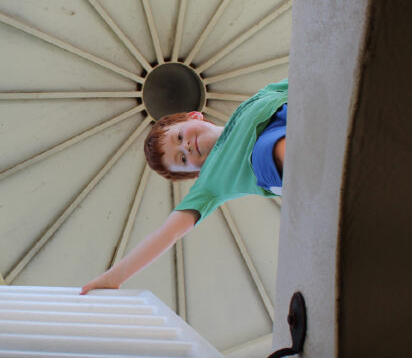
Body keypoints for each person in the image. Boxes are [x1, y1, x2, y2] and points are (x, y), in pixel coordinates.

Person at [81, 79, 288, 294]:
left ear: (194, 116)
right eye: (182, 159)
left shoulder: (253, 101)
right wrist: (113, 277)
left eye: (179, 137)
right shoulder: (210, 182)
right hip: (269, 155)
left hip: (294, 110)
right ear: (195, 172)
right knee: (265, 152)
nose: (186, 147)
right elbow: (167, 234)